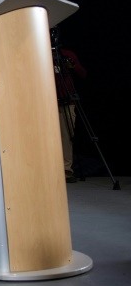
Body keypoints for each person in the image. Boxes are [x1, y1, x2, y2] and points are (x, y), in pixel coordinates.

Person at [52, 32, 87, 183]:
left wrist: (72, 65)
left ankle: (66, 170)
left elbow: (83, 74)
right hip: (48, 101)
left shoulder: (66, 54)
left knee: (66, 137)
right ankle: (50, 169)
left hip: (67, 100)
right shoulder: (42, 54)